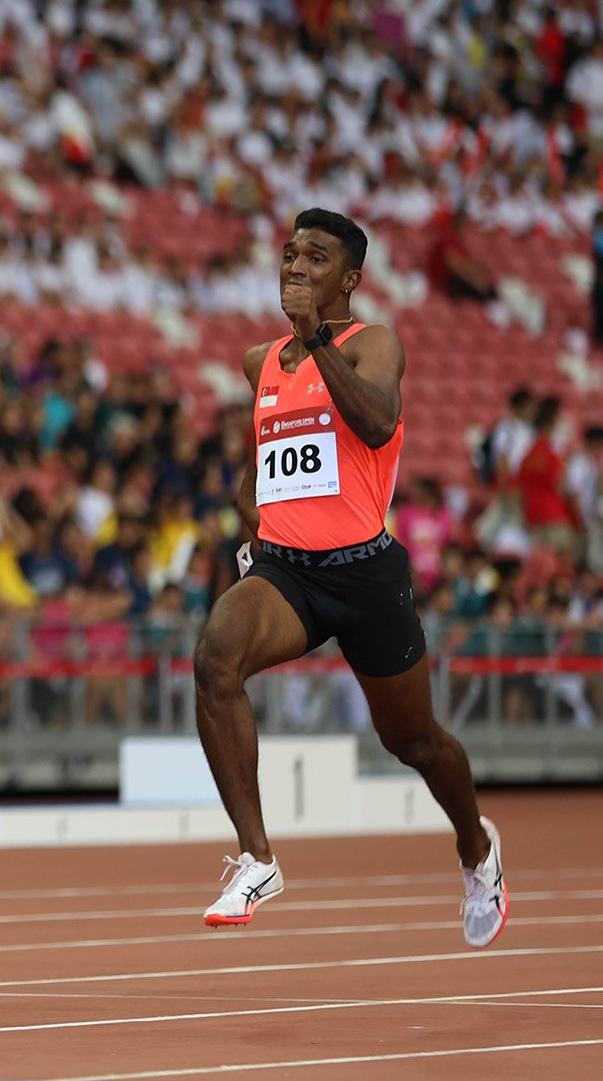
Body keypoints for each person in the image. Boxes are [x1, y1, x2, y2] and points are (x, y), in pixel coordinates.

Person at [195, 209, 506, 948]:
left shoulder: (376, 344)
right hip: (289, 573)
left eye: (316, 257)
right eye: (290, 253)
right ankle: (257, 858)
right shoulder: (259, 363)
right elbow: (259, 468)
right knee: (215, 658)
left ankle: (476, 846)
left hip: (365, 574)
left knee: (416, 741)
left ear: (350, 280)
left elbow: (374, 423)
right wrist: (250, 540)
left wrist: (314, 341)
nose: (295, 266)